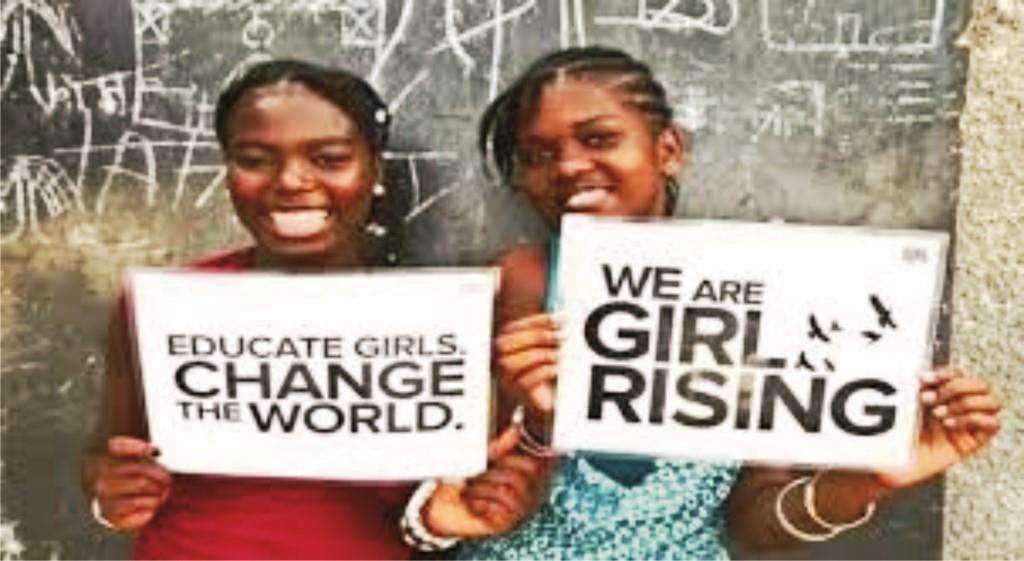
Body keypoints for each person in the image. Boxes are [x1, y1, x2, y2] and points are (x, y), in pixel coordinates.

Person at [447, 46, 1003, 559]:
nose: (568, 166)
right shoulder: (526, 281)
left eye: (598, 139)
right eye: (539, 154)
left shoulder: (762, 286)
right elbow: (488, 499)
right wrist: (535, 421)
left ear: (668, 150)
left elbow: (753, 523)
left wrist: (868, 481)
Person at [81, 59, 547, 560]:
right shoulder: (166, 305)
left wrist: (435, 521)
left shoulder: (443, 320)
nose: (291, 180)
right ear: (228, 172)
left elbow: (443, 506)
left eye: (329, 158)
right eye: (254, 159)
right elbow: (106, 454)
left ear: (374, 170)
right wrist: (112, 493)